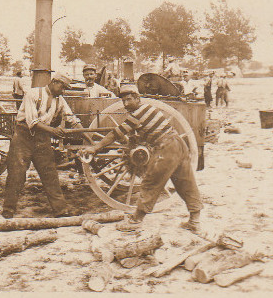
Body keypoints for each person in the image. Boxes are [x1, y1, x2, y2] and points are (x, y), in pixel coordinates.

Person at [79, 82, 204, 233]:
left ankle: (136, 221)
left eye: (129, 100)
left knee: (151, 181)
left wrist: (95, 147)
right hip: (178, 143)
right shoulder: (147, 109)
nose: (125, 104)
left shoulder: (139, 113)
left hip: (166, 147)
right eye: (123, 101)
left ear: (137, 98)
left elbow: (115, 134)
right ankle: (195, 222)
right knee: (186, 182)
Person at [1, 73, 80, 219]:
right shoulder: (33, 94)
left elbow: (71, 118)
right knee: (17, 174)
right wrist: (54, 131)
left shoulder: (60, 100)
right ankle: (8, 209)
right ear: (54, 82)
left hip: (42, 139)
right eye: (62, 88)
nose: (63, 92)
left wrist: (84, 133)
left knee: (50, 174)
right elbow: (33, 122)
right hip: (23, 137)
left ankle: (60, 210)